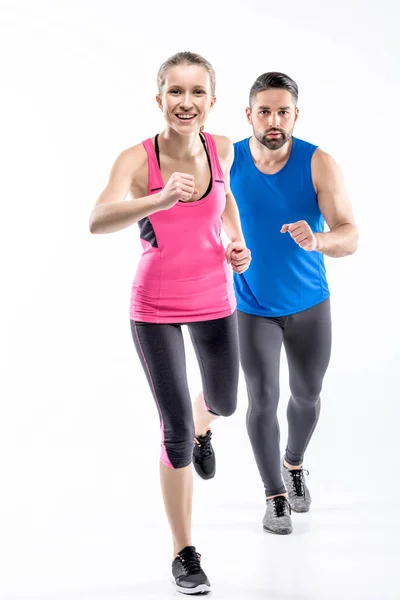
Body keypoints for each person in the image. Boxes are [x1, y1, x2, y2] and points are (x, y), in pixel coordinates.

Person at [89, 51, 250, 594]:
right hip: (154, 305)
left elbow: (225, 203)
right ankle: (184, 551)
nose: (186, 103)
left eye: (197, 92)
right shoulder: (136, 161)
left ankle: (205, 427)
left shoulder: (221, 147)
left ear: (211, 100)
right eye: (175, 92)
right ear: (159, 99)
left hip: (214, 296)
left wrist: (236, 241)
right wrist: (157, 198)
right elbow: (97, 220)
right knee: (174, 431)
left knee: (224, 401)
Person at [230, 72, 358, 535]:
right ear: (249, 115)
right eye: (264, 111)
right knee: (262, 398)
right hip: (253, 305)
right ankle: (274, 495)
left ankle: (294, 463)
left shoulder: (319, 162)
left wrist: (318, 239)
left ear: (295, 115)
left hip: (309, 305)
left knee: (306, 395)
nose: (274, 120)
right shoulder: (228, 159)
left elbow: (351, 236)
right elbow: (204, 217)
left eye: (283, 111)